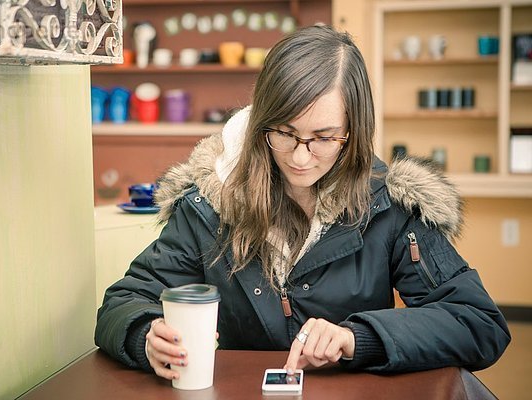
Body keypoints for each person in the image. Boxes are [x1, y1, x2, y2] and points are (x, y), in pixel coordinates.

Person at [95, 25, 510, 380]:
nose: (299, 156)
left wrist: (356, 337)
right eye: (285, 133)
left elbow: (478, 323)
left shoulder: (389, 204)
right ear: (262, 123)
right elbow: (122, 302)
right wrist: (144, 337)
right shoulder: (209, 201)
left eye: (324, 138)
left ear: (354, 131)